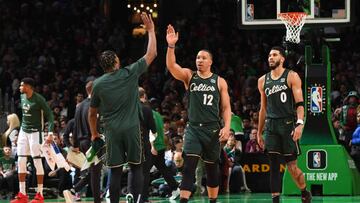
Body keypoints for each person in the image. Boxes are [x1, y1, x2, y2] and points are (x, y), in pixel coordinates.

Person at [88, 13, 156, 203]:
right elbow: (151, 54)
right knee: (135, 167)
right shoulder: (129, 73)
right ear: (117, 62)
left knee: (115, 171)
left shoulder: (98, 84)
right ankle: (135, 200)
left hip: (111, 131)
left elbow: (92, 113)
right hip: (131, 128)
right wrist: (150, 31)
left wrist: (94, 134)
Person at [166, 24, 231, 203]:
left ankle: (212, 201)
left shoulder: (219, 81)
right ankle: (184, 201)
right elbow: (172, 66)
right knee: (189, 167)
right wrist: (171, 46)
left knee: (212, 169)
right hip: (194, 128)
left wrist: (226, 126)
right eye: (197, 57)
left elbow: (226, 108)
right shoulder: (190, 76)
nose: (199, 60)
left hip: (212, 130)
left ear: (210, 62)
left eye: (203, 58)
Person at [257, 46, 312, 203]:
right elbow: (263, 109)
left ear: (282, 59)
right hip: (271, 126)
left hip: (288, 124)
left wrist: (300, 124)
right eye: (269, 55)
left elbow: (300, 103)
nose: (270, 58)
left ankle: (304, 191)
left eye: (274, 55)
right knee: (273, 165)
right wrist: (260, 132)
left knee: (292, 167)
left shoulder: (292, 76)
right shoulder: (262, 80)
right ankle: (275, 200)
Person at [12, 77, 54, 203]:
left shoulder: (39, 99)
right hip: (23, 131)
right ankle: (22, 194)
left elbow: (50, 116)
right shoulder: (22, 96)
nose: (20, 87)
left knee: (36, 161)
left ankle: (39, 194)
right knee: (21, 160)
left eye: (22, 85)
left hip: (36, 133)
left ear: (29, 87)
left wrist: (50, 133)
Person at [138, 87, 180, 202]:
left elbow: (152, 131)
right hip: (161, 146)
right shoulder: (157, 114)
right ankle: (176, 188)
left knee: (144, 172)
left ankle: (144, 198)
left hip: (153, 147)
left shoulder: (145, 113)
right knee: (163, 169)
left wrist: (152, 146)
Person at [64, 80, 102, 203]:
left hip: (82, 142)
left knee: (93, 170)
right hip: (93, 141)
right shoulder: (95, 104)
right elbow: (97, 123)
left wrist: (75, 145)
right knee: (96, 171)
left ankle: (74, 190)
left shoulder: (79, 106)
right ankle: (96, 200)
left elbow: (75, 127)